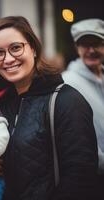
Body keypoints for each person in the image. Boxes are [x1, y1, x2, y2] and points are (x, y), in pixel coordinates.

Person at [0, 16, 98, 200]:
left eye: (15, 48)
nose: (7, 59)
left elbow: (80, 177)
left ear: (33, 48)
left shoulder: (66, 100)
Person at [62, 18, 104, 197]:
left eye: (96, 44)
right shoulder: (68, 82)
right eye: (85, 45)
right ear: (76, 48)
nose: (91, 50)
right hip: (92, 177)